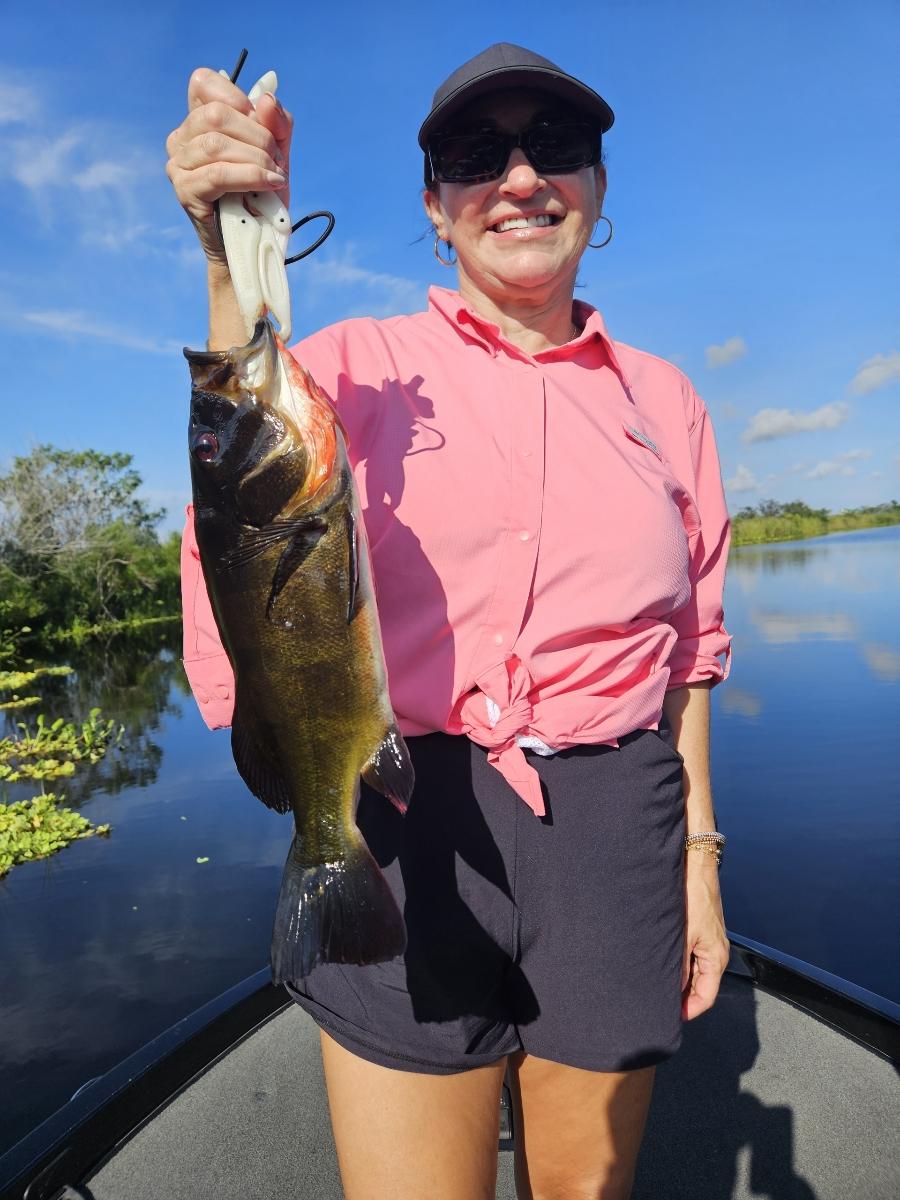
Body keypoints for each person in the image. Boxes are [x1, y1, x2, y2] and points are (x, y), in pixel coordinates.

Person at [166, 42, 732, 1200]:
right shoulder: (353, 372)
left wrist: (701, 863)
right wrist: (233, 247)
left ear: (600, 185)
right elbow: (238, 482)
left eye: (555, 150)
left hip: (617, 819)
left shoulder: (667, 401)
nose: (521, 179)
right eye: (478, 157)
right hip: (394, 810)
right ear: (437, 207)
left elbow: (689, 656)